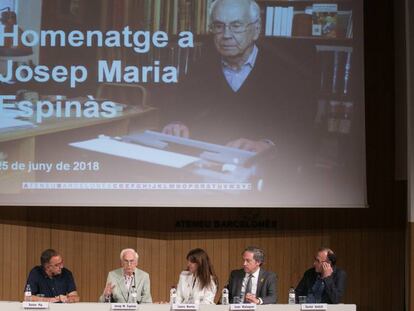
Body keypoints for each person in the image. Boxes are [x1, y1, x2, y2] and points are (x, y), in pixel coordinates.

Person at [163, 0, 315, 157]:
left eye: (236, 26)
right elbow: (179, 108)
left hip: (263, 169)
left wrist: (266, 145)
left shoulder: (287, 72)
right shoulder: (201, 67)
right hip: (207, 163)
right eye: (218, 26)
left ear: (256, 30)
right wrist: (178, 124)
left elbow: (301, 133)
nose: (226, 35)